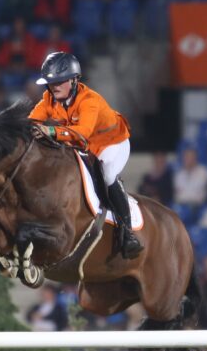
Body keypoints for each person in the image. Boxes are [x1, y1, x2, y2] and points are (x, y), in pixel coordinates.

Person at [28, 51, 141, 258]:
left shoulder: (89, 100)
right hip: (87, 146)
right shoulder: (48, 99)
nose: (54, 86)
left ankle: (128, 232)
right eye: (51, 83)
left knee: (107, 174)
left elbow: (83, 133)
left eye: (59, 82)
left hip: (112, 142)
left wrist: (50, 131)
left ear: (73, 80)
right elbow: (31, 121)